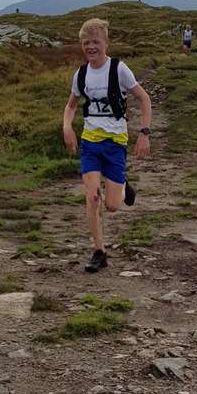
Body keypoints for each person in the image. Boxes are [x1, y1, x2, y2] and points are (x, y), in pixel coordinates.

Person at [62, 18, 152, 273]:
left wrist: (144, 133)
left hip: (115, 143)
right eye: (86, 43)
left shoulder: (119, 69)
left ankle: (122, 186)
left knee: (112, 206)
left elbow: (144, 99)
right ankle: (99, 252)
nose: (91, 47)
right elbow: (71, 106)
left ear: (105, 43)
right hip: (90, 143)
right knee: (92, 198)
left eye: (95, 42)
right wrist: (67, 127)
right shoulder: (81, 74)